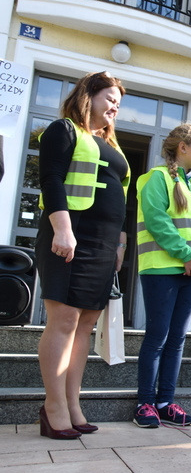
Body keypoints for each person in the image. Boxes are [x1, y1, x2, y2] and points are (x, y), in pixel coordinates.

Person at [36, 71, 128, 439]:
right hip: (71, 232)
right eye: (110, 99)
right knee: (64, 318)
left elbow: (122, 197)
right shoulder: (64, 130)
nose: (115, 107)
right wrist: (62, 229)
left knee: (86, 321)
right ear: (89, 95)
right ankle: (53, 405)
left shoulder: (109, 143)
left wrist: (120, 244)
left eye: (118, 103)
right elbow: (51, 179)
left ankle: (72, 403)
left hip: (103, 243)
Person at [133, 123, 191, 428]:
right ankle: (144, 403)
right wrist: (187, 256)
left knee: (177, 340)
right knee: (158, 336)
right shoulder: (156, 178)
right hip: (161, 269)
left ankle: (165, 402)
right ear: (183, 148)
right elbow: (157, 221)